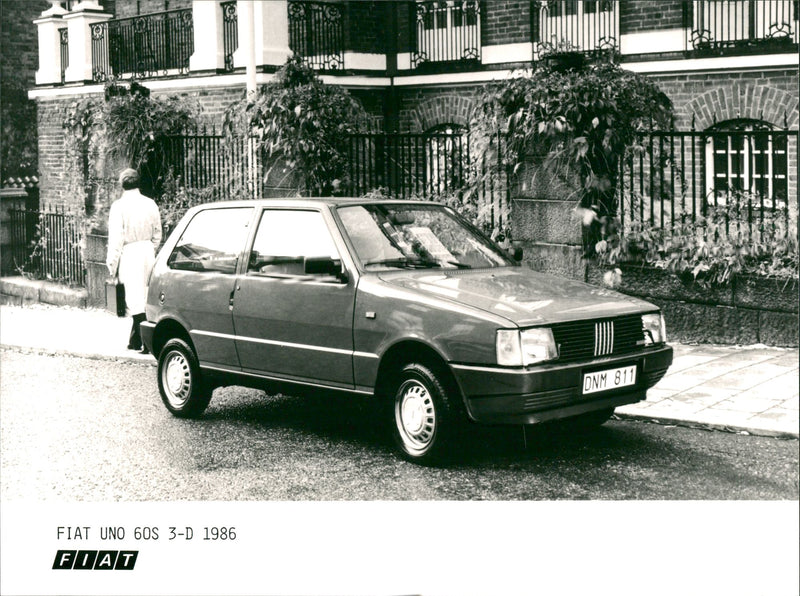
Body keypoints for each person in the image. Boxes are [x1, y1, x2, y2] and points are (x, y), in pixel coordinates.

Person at [106, 168, 162, 353]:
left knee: (134, 298)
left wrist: (111, 264)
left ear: (122, 184)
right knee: (145, 294)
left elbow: (116, 238)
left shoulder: (119, 206)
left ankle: (147, 343)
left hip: (129, 252)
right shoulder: (150, 203)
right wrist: (150, 248)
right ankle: (136, 340)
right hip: (147, 251)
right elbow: (157, 233)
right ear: (138, 183)